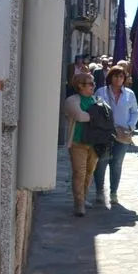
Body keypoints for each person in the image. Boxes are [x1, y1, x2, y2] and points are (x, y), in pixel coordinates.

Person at [93, 66, 138, 206]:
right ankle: (100, 191)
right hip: (105, 133)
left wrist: (130, 126)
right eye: (115, 76)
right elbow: (97, 111)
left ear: (124, 79)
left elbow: (135, 112)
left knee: (117, 163)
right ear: (110, 77)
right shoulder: (101, 92)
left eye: (121, 76)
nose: (118, 79)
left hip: (123, 134)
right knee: (101, 161)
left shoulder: (129, 94)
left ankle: (114, 193)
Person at [63, 73, 99, 216]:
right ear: (80, 85)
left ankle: (83, 198)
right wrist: (97, 116)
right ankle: (79, 204)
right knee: (79, 173)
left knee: (89, 173)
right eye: (90, 83)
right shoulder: (71, 100)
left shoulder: (96, 99)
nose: (93, 86)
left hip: (94, 143)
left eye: (93, 83)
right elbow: (80, 116)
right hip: (78, 143)